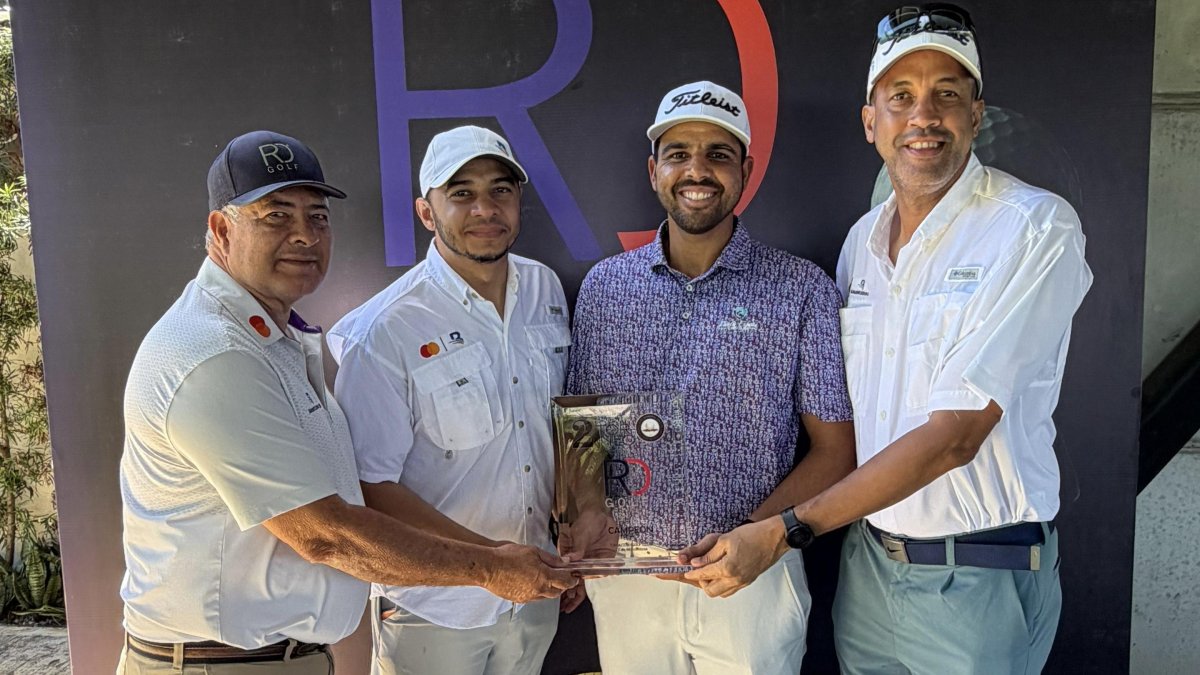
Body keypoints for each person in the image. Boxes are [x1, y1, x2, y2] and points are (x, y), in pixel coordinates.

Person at [679, 5, 1093, 673]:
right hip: (869, 569)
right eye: (900, 97)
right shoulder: (862, 244)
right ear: (871, 122)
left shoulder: (1034, 228)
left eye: (947, 95)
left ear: (977, 114)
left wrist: (783, 531)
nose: (923, 116)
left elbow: (957, 432)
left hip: (977, 577)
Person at [118, 130, 576, 674]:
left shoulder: (270, 339)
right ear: (221, 229)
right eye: (275, 216)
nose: (304, 236)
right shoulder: (215, 355)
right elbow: (326, 533)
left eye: (317, 217)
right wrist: (492, 566)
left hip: (284, 658)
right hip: (218, 662)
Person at [565, 81, 857, 674]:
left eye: (718, 154)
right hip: (629, 580)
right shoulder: (603, 288)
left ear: (746, 170)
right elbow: (583, 431)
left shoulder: (801, 290)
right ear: (654, 170)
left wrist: (755, 538)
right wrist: (581, 518)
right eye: (678, 153)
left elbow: (836, 453)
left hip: (754, 579)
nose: (697, 170)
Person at [327, 125, 573, 675]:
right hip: (431, 609)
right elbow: (371, 488)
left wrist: (564, 538)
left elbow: (552, 431)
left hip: (536, 595)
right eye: (460, 193)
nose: (484, 207)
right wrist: (489, 565)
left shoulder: (545, 290)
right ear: (426, 212)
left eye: (500, 189)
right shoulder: (385, 330)